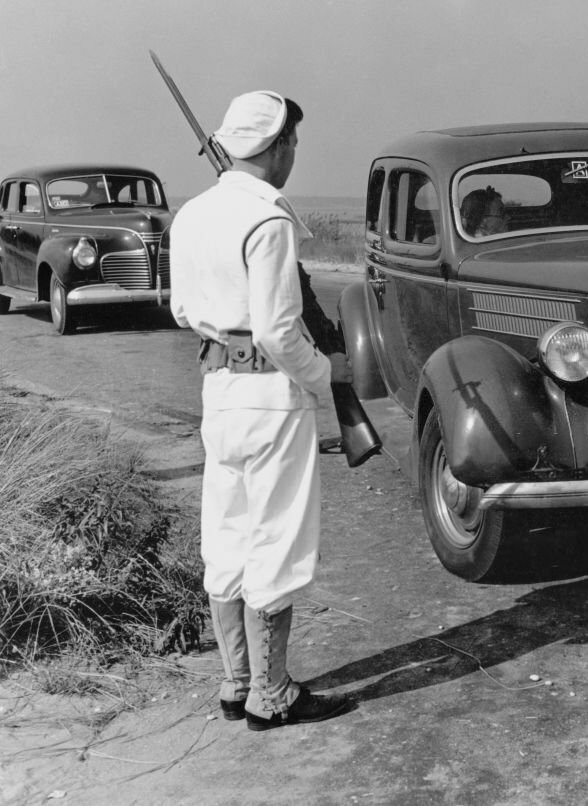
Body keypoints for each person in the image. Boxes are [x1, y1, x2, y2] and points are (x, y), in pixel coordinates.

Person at [170, 91, 356, 731]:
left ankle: (236, 681)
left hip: (217, 389)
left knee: (226, 536)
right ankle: (272, 695)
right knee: (274, 538)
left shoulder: (191, 215)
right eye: (293, 143)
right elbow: (280, 332)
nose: (295, 154)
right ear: (276, 146)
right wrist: (324, 375)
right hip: (272, 395)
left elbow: (181, 311)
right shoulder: (269, 219)